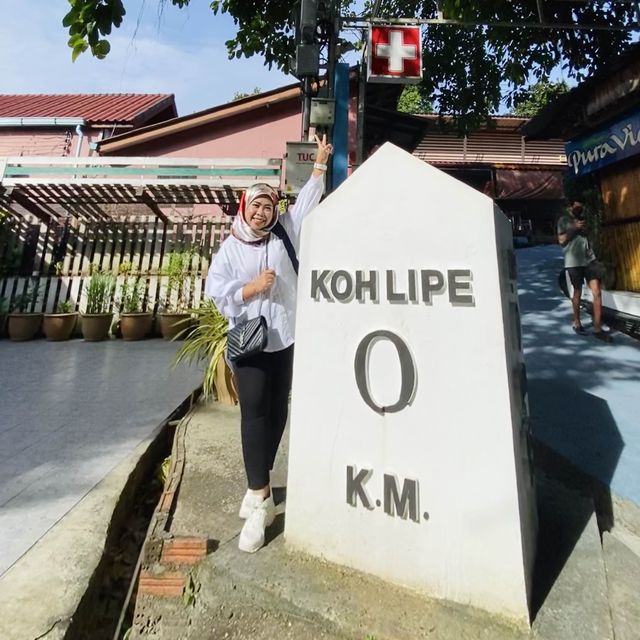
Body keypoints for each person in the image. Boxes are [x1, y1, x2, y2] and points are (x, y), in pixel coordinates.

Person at [204, 134, 332, 552]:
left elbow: (308, 201)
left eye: (269, 205)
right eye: (256, 205)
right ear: (244, 207)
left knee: (278, 411)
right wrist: (251, 289)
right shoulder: (230, 248)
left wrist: (319, 164)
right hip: (252, 342)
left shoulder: (285, 232)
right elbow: (216, 291)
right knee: (254, 415)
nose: (263, 212)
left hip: (287, 336)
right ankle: (260, 497)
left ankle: (259, 483)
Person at [556, 201, 611, 342]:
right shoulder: (563, 220)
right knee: (577, 291)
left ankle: (597, 328)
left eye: (581, 206)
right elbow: (561, 240)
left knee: (597, 291)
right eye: (577, 206)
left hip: (589, 260)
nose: (580, 208)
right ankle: (577, 322)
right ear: (570, 206)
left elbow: (589, 236)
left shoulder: (584, 218)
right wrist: (574, 228)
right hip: (573, 262)